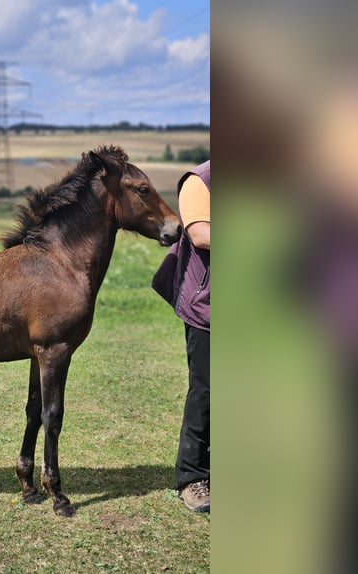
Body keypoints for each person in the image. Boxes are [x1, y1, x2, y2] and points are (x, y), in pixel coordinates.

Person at [171, 160, 210, 512]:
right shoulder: (200, 181)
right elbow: (200, 233)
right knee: (207, 389)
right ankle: (192, 477)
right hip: (208, 307)